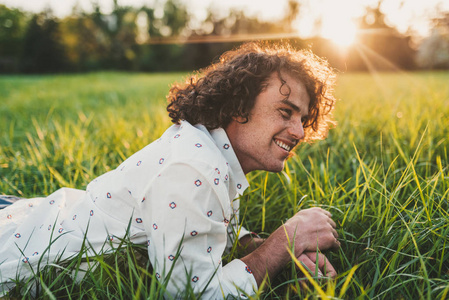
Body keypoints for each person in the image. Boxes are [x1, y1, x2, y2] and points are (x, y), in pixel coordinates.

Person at [0, 42, 339, 298]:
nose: (299, 132)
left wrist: (259, 244)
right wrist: (282, 244)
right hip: (20, 253)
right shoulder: (193, 169)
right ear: (238, 105)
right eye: (285, 111)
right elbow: (191, 294)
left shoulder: (206, 149)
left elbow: (198, 224)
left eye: (302, 119)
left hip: (39, 215)